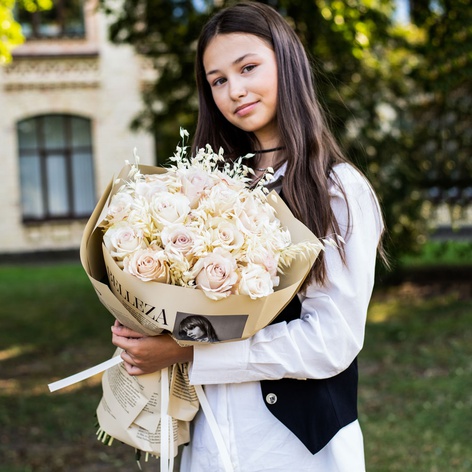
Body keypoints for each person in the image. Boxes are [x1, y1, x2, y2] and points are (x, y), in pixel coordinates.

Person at [111, 2, 386, 471]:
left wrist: (190, 351)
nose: (234, 90)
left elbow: (331, 341)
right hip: (210, 441)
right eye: (217, 80)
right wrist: (143, 324)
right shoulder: (202, 191)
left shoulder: (337, 190)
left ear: (288, 62)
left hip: (296, 450)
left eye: (248, 67)